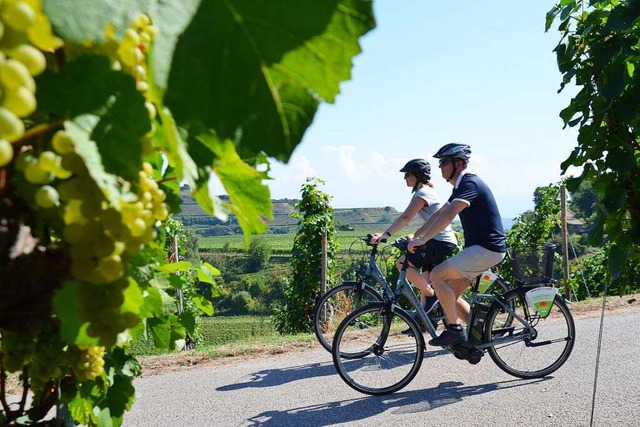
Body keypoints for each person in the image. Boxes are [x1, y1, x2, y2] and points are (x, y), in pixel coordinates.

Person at [408, 143, 506, 347]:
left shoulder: (470, 183)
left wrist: (424, 240)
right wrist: (418, 235)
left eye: (444, 162)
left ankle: (454, 331)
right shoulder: (460, 187)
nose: (440, 167)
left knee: (436, 276)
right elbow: (440, 213)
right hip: (480, 250)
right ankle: (476, 339)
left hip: (487, 249)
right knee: (449, 296)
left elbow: (451, 214)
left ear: (458, 163)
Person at [371, 158, 458, 318]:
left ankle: (432, 296)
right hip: (439, 240)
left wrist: (385, 235)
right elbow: (431, 220)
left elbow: (406, 217)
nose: (405, 178)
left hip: (440, 241)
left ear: (417, 176)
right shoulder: (425, 192)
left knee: (402, 263)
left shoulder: (422, 193)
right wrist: (415, 235)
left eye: (407, 174)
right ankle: (424, 320)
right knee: (425, 278)